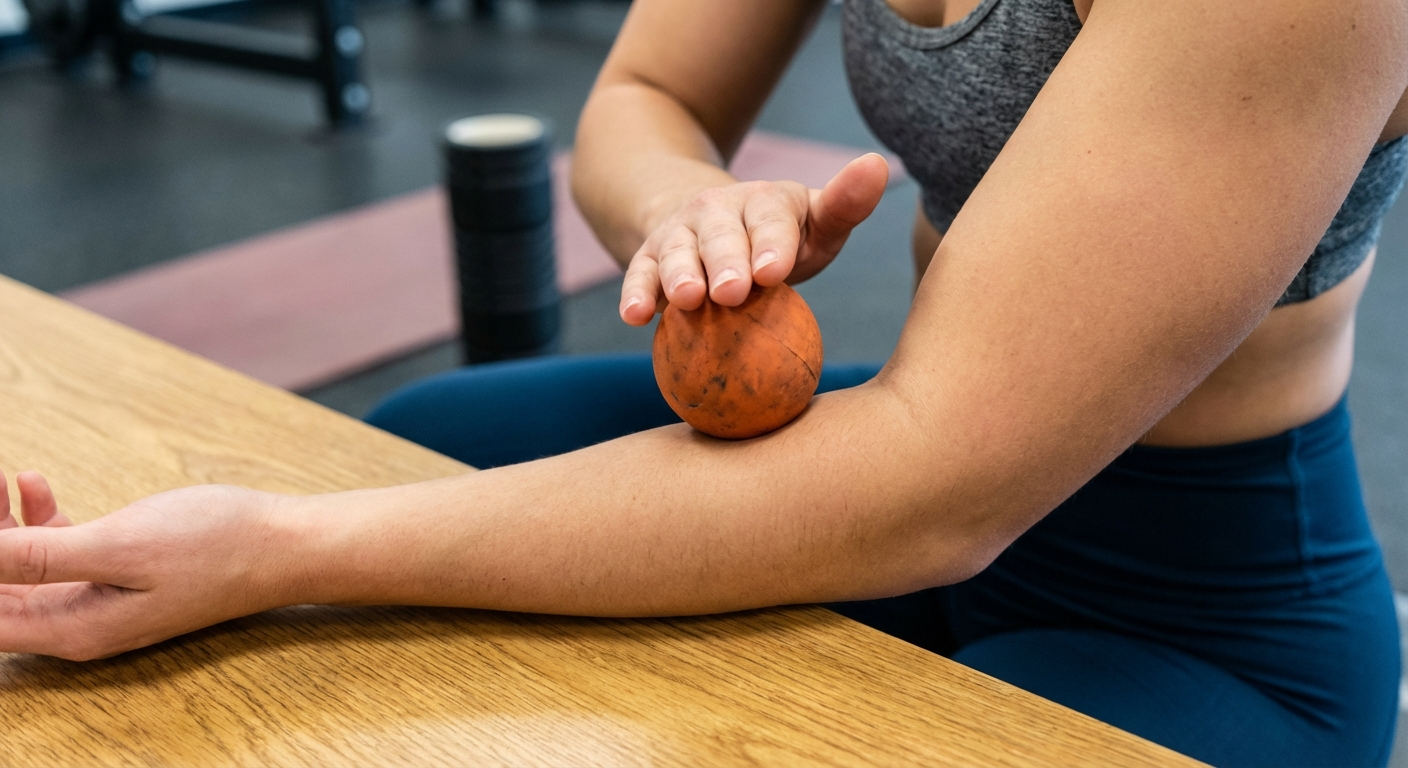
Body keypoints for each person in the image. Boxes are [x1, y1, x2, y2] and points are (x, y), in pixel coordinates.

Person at [3, 0, 1407, 764]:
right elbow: (643, 96)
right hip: (922, 450)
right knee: (430, 439)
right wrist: (685, 204)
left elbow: (934, 487)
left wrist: (279, 551)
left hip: (1195, 602)